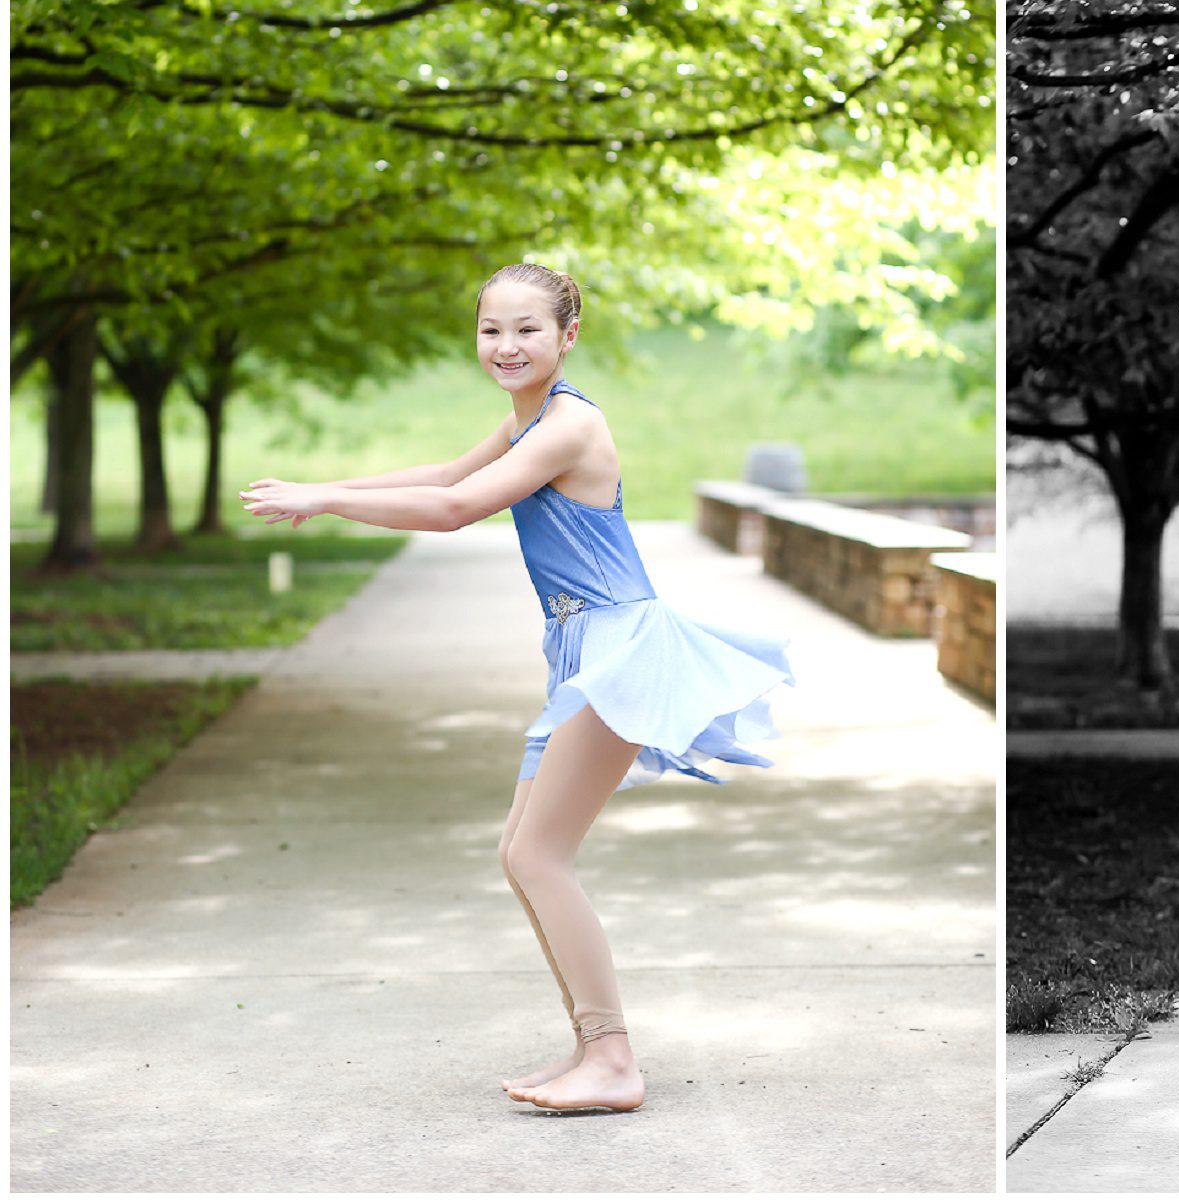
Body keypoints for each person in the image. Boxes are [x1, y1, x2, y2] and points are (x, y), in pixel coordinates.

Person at [242, 259, 792, 1119]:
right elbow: (443, 475)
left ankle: (612, 1058)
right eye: (491, 328)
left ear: (568, 336)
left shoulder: (568, 424)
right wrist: (326, 494)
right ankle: (591, 1043)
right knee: (519, 852)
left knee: (540, 853)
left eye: (527, 328)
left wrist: (331, 499)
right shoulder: (525, 419)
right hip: (578, 650)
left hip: (620, 648)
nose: (506, 344)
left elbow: (458, 509)